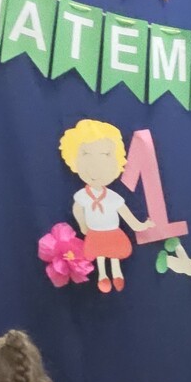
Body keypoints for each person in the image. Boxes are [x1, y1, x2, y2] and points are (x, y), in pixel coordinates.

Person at [62, 120, 148, 295]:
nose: (96, 168)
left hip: (112, 232)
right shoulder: (83, 196)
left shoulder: (112, 197)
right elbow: (77, 210)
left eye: (105, 156)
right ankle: (103, 275)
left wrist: (139, 225)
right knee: (100, 255)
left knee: (114, 254)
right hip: (95, 233)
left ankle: (116, 274)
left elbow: (125, 214)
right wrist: (82, 225)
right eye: (86, 155)